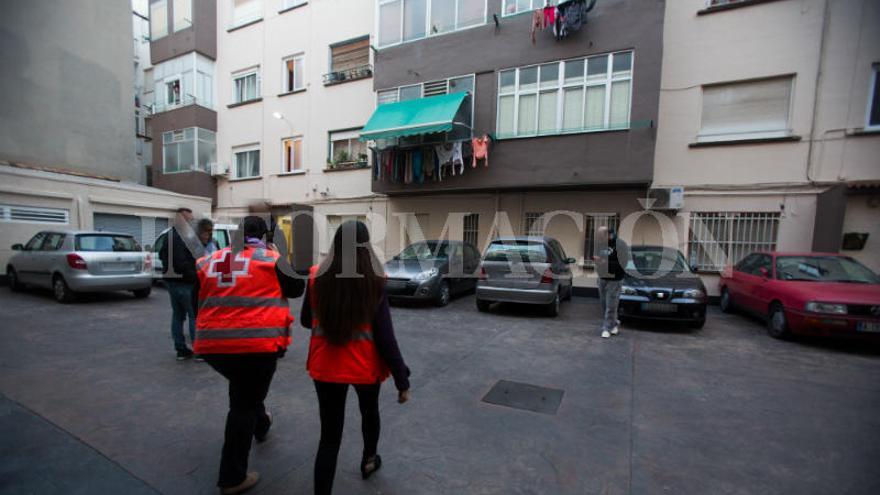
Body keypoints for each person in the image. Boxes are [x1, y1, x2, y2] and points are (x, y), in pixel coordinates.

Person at [193, 216, 304, 495]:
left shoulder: (209, 261)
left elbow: (199, 300)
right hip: (257, 346)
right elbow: (296, 289)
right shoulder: (271, 259)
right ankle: (232, 478)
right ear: (266, 237)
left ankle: (262, 424)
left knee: (245, 390)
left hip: (213, 347)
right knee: (242, 404)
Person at [300, 220, 410, 495]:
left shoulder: (316, 276)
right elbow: (385, 337)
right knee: (369, 413)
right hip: (364, 368)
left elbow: (305, 320)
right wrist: (401, 378)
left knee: (329, 437)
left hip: (325, 367)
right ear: (366, 245)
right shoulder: (374, 280)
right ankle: (369, 460)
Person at [160, 207, 200, 360]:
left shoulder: (169, 235)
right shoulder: (181, 237)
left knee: (177, 315)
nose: (192, 222)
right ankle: (199, 350)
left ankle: (180, 349)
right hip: (184, 283)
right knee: (193, 315)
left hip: (171, 282)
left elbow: (161, 254)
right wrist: (195, 275)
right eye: (189, 220)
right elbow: (181, 262)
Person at [594, 226, 627, 339]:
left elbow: (622, 264)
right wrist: (597, 261)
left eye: (600, 236)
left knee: (611, 305)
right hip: (602, 278)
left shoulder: (620, 245)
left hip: (615, 279)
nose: (598, 239)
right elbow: (598, 258)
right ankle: (614, 323)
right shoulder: (600, 244)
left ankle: (607, 328)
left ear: (607, 235)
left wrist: (604, 262)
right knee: (604, 303)